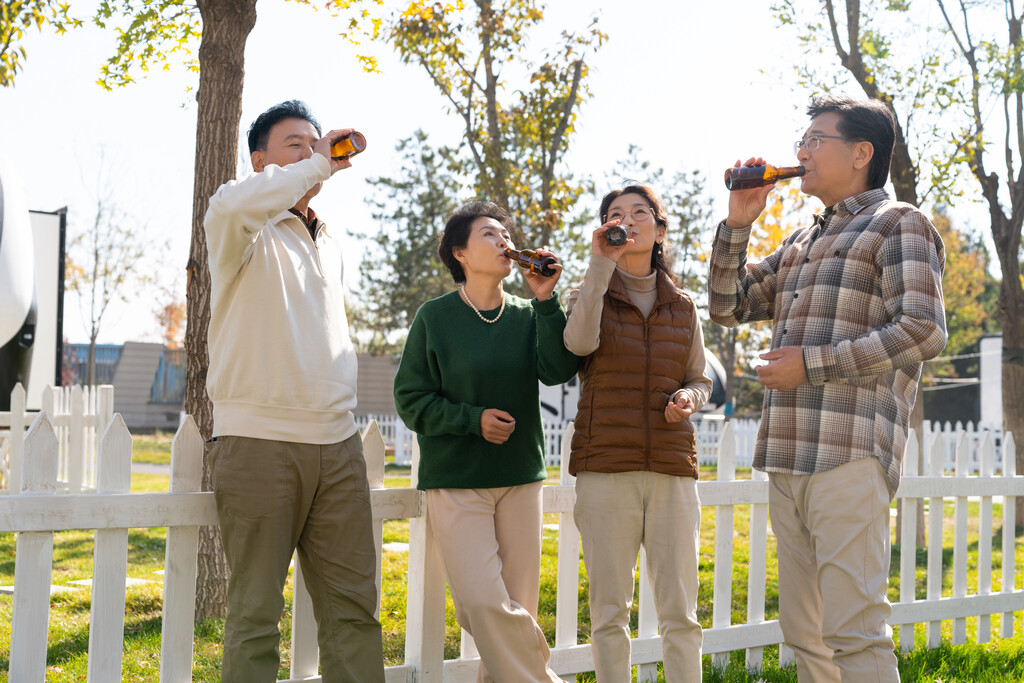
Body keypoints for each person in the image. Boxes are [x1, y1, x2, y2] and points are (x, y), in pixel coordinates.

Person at [708, 95, 947, 682]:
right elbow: (727, 305)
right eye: (802, 139)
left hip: (849, 454)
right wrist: (737, 225)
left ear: (862, 153)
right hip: (788, 455)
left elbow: (922, 330)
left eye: (817, 139)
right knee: (805, 634)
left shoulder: (900, 223)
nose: (801, 151)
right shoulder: (799, 240)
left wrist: (809, 366)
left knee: (853, 631)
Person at [204, 99, 385, 683]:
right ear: (261, 161)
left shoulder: (328, 240)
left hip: (337, 445)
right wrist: (321, 165)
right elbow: (238, 201)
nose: (311, 154)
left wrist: (314, 168)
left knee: (354, 611)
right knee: (256, 614)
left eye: (316, 144)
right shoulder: (236, 221)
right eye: (296, 146)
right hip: (257, 442)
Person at [393, 201, 579, 683]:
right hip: (457, 481)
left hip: (520, 479)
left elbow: (558, 370)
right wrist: (471, 420)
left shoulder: (528, 314)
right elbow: (410, 400)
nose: (504, 242)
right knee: (483, 605)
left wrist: (546, 299)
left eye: (505, 234)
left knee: (514, 613)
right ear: (460, 253)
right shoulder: (435, 318)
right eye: (489, 235)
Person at [563, 183, 712, 682]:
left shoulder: (684, 306)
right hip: (606, 468)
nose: (627, 219)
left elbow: (700, 376)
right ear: (607, 228)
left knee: (681, 615)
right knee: (609, 613)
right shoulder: (588, 293)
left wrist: (691, 398)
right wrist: (598, 266)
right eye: (615, 214)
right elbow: (579, 344)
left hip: (671, 468)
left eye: (639, 211)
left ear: (659, 227)